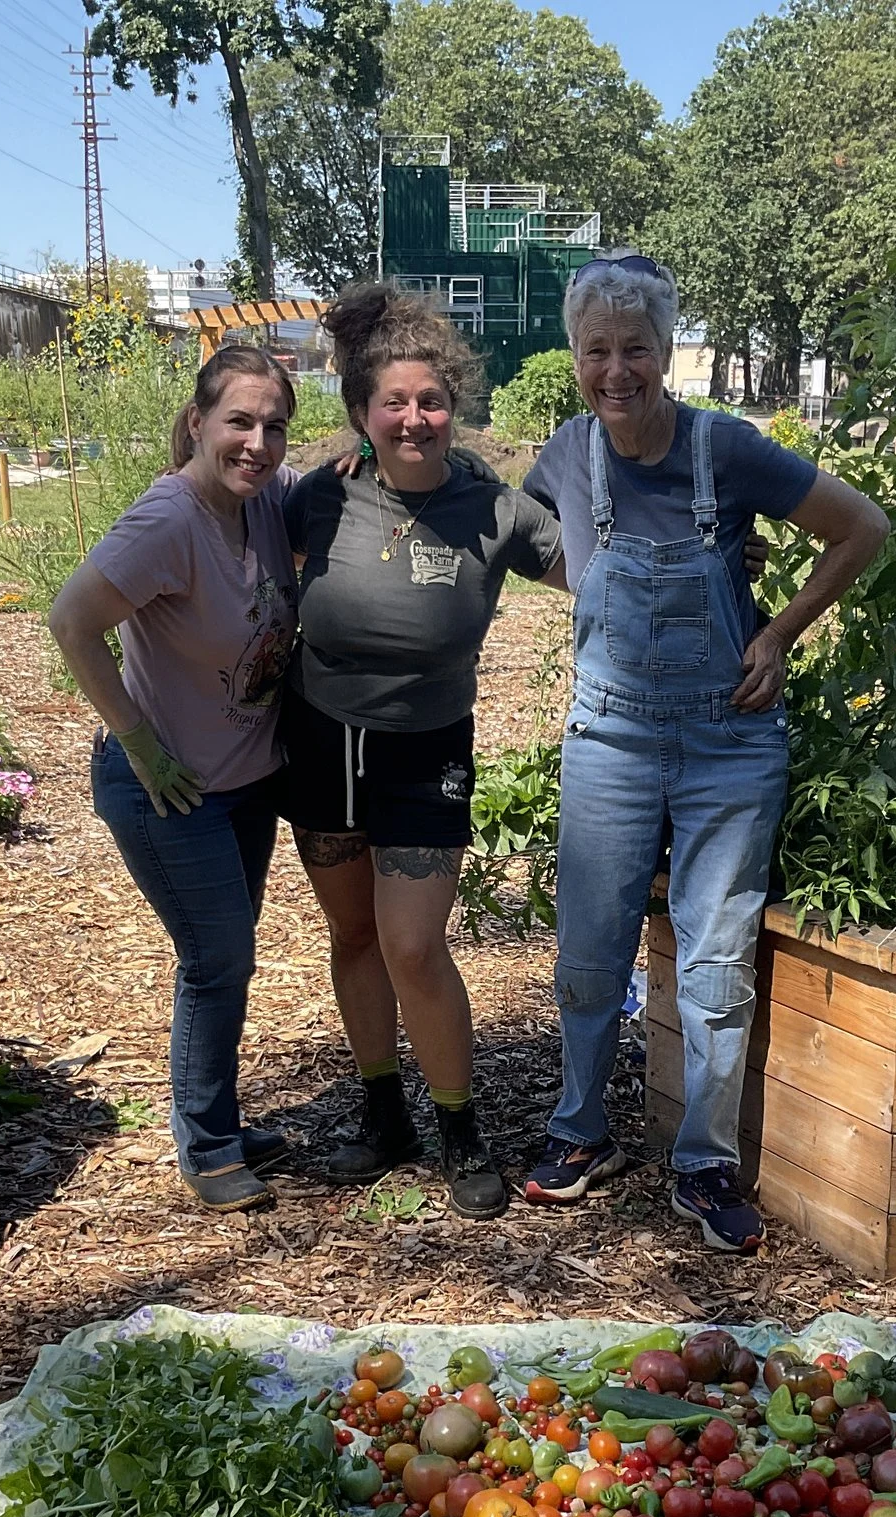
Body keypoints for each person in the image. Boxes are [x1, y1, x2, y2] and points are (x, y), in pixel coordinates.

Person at [518, 253, 890, 1253]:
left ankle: (703, 1161)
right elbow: (524, 541)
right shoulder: (564, 456)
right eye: (595, 351)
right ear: (575, 356)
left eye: (634, 348)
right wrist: (593, 581)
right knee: (589, 949)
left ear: (665, 351)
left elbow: (862, 529)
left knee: (717, 959)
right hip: (610, 737)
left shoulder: (725, 450)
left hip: (728, 743)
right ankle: (580, 1130)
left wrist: (777, 633)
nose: (615, 371)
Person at [281, 283, 566, 1218]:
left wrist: (705, 549)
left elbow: (598, 568)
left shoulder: (494, 509)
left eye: (431, 400)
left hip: (426, 750)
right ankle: (382, 1116)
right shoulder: (317, 499)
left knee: (413, 943)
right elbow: (218, 535)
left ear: (455, 406)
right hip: (321, 742)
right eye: (394, 403)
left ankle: (459, 1127)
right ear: (363, 415)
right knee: (354, 936)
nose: (415, 418)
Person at [47, 345, 303, 1214]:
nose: (258, 442)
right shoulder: (170, 518)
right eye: (239, 421)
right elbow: (72, 620)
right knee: (216, 957)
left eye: (274, 426)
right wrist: (138, 740)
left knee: (229, 960)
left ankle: (222, 1115)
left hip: (246, 782)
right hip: (168, 787)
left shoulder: (260, 502)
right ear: (198, 422)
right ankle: (205, 1142)